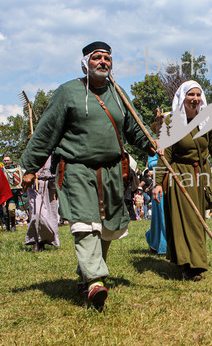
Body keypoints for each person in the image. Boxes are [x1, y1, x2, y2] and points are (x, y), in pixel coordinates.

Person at [20, 41, 157, 309]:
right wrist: (31, 167)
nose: (103, 62)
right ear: (85, 63)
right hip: (76, 168)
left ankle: (85, 275)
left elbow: (134, 128)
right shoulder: (68, 93)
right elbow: (46, 131)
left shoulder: (118, 93)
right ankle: (95, 281)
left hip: (112, 171)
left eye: (107, 58)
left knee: (106, 225)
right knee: (85, 223)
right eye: (97, 58)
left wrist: (151, 142)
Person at [152, 80, 212, 281]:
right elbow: (165, 155)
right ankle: (192, 266)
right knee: (186, 220)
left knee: (197, 220)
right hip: (180, 175)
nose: (195, 99)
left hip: (201, 176)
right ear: (183, 97)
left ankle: (189, 261)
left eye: (198, 95)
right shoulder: (171, 123)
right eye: (191, 95)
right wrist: (158, 183)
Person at [24, 156, 60, 252]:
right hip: (35, 186)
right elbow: (26, 168)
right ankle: (35, 240)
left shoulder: (54, 154)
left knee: (49, 215)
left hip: (50, 185)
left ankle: (44, 241)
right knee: (37, 214)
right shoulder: (33, 153)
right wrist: (31, 172)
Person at [145, 153, 167, 255]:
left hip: (177, 182)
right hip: (160, 185)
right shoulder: (157, 145)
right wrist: (166, 160)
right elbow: (151, 164)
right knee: (162, 217)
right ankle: (161, 245)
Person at [1, 156, 23, 232]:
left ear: (10, 161)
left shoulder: (16, 169)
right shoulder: (2, 170)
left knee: (11, 209)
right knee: (5, 211)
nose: (6, 162)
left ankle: (13, 225)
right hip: (4, 194)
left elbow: (18, 179)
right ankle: (7, 228)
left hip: (13, 193)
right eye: (5, 160)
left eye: (7, 160)